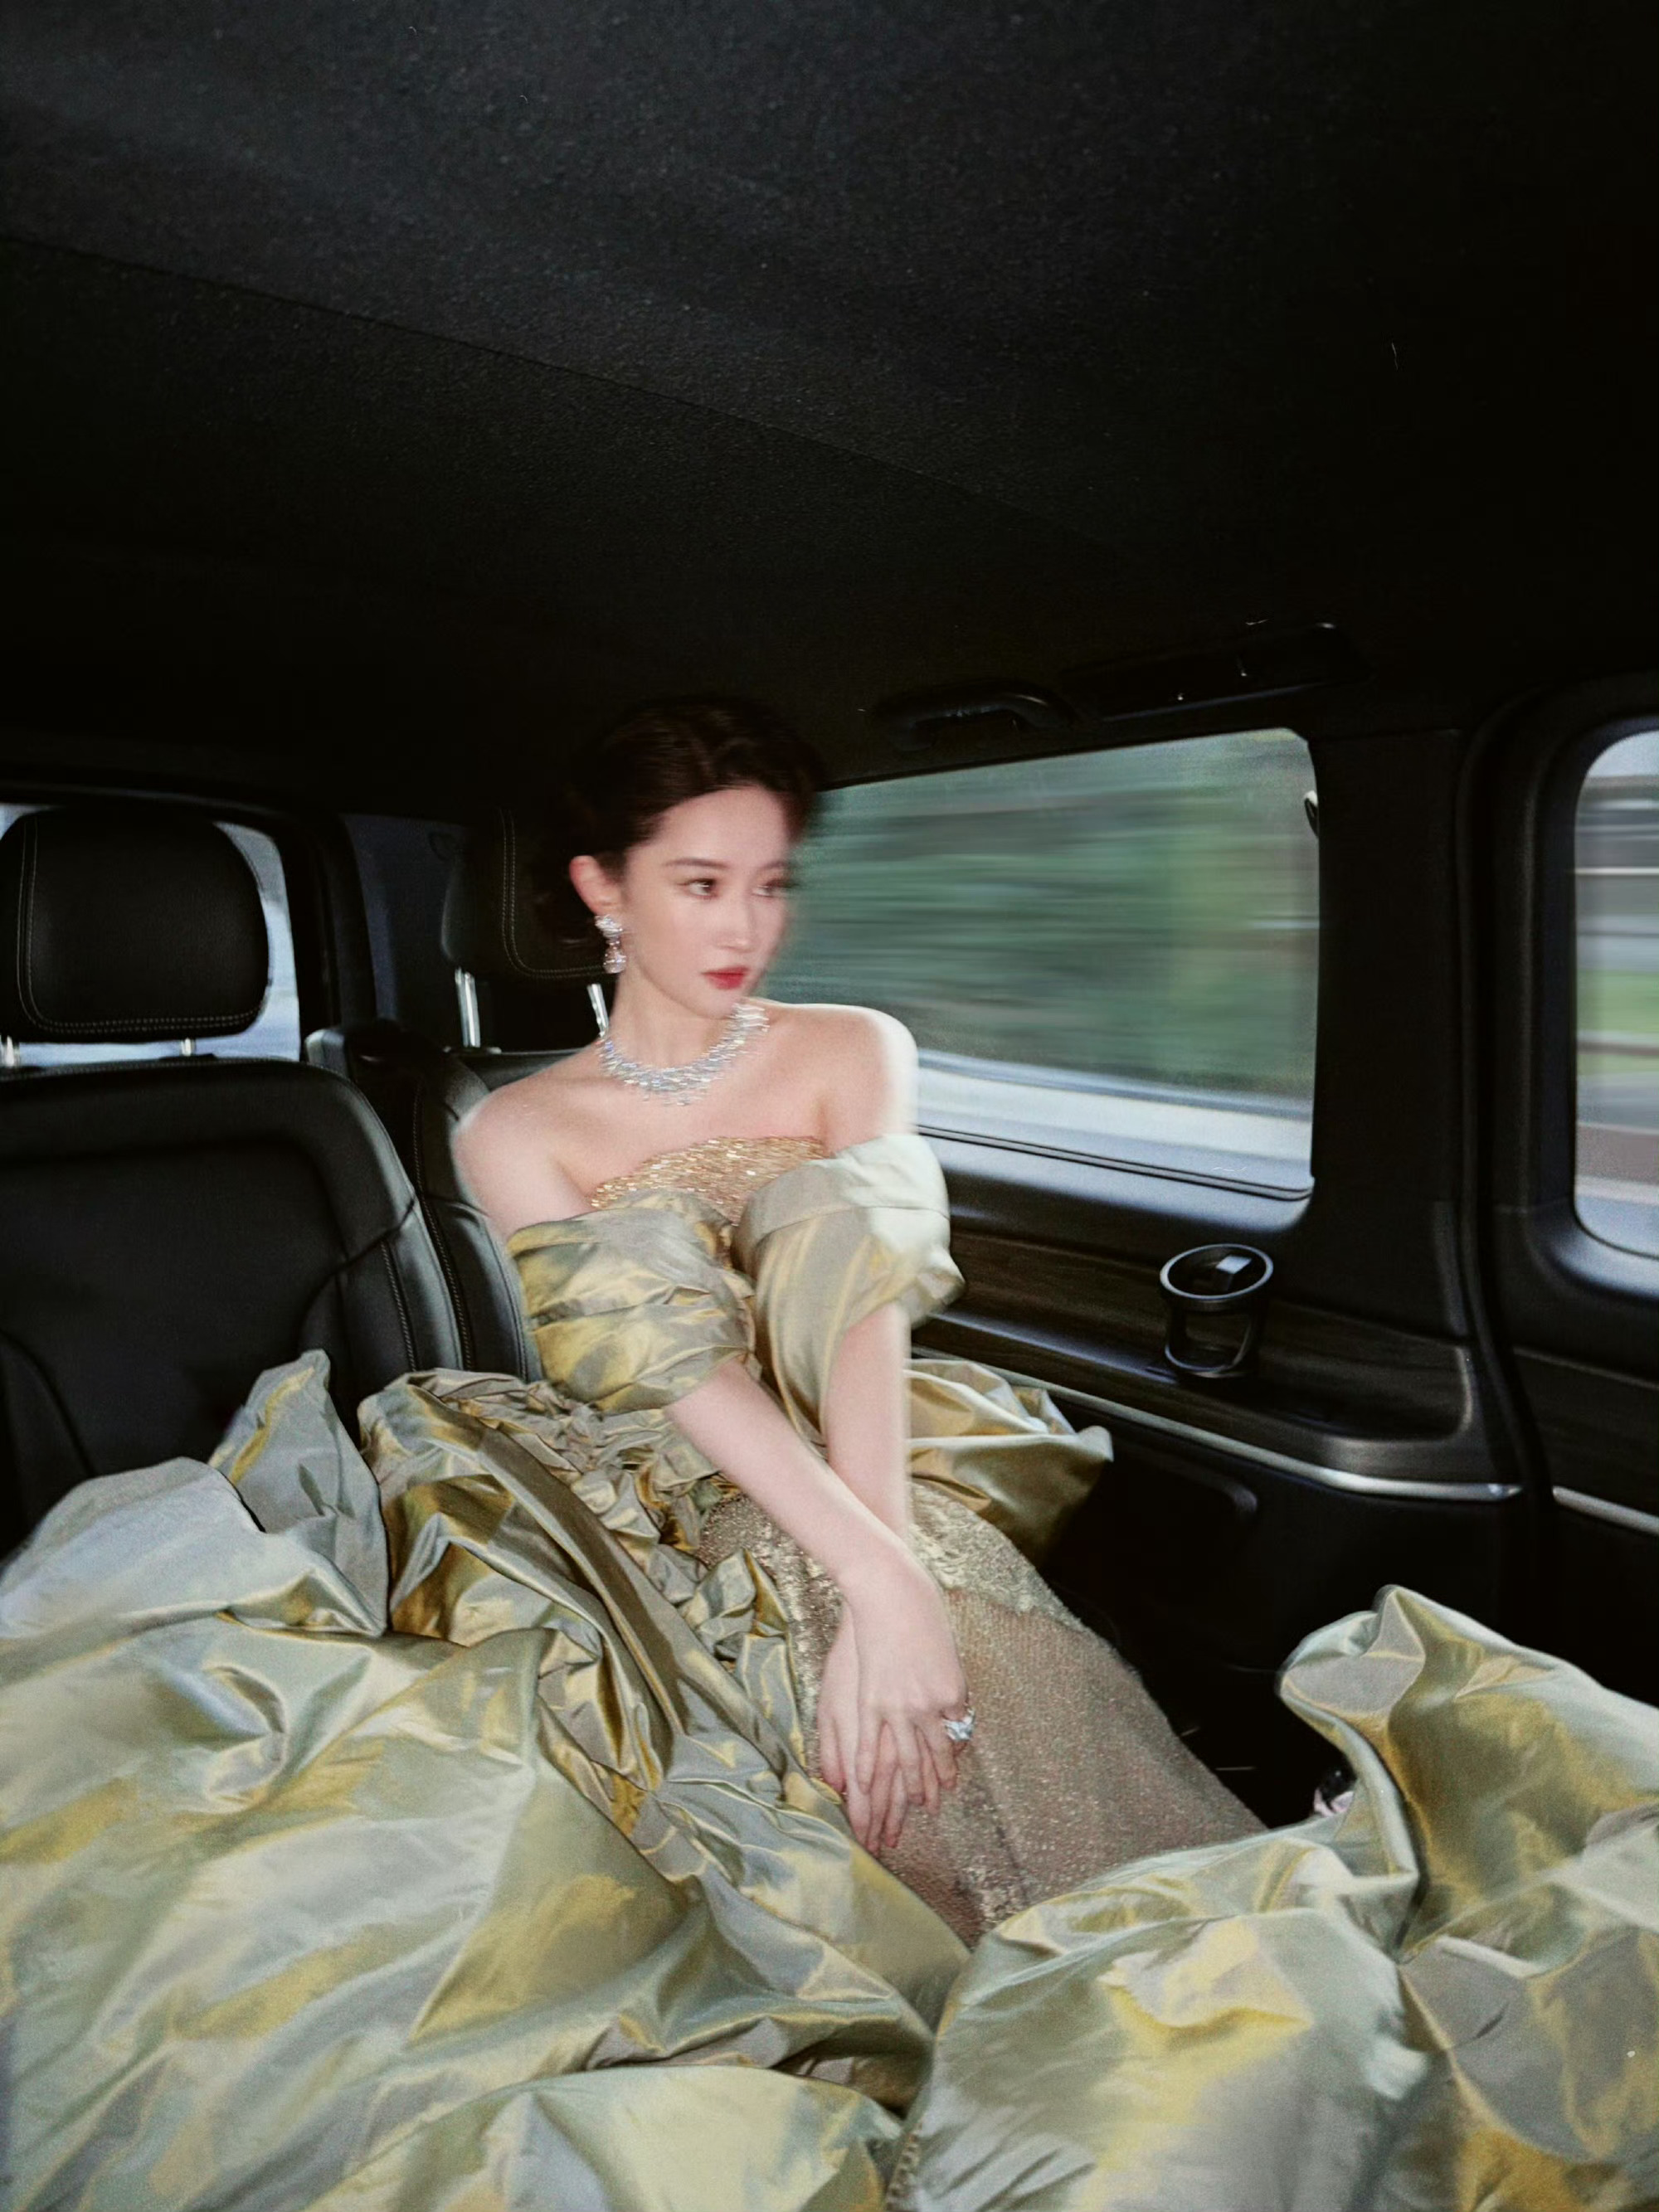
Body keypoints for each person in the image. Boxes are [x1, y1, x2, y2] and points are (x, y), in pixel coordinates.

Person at [445, 694, 1257, 1938]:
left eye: (772, 886)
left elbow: (867, 1317)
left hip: (864, 1431)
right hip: (668, 1474)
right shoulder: (514, 1129)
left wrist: (894, 1578)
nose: (746, 928)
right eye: (701, 884)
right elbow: (686, 1375)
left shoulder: (855, 1047)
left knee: (940, 1590)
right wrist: (874, 1581)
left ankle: (1150, 1944)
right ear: (603, 888)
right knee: (812, 1609)